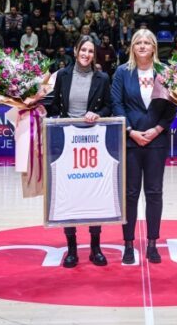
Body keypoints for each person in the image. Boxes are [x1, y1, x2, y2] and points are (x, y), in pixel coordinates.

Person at [111, 29, 177, 264]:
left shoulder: (165, 72)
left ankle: (152, 243)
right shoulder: (122, 72)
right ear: (132, 47)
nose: (142, 46)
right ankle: (128, 244)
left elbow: (173, 106)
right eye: (137, 42)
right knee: (130, 194)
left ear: (154, 47)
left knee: (154, 193)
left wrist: (158, 129)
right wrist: (130, 131)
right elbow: (116, 104)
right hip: (130, 141)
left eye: (146, 42)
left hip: (157, 141)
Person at [49, 35, 112, 268]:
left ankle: (96, 247)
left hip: (92, 140)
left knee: (93, 192)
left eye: (90, 51)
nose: (86, 54)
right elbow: (55, 105)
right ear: (75, 51)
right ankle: (72, 248)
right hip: (67, 140)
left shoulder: (102, 78)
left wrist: (98, 114)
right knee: (69, 194)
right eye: (82, 50)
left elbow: (108, 105)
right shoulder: (62, 75)